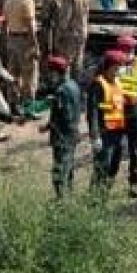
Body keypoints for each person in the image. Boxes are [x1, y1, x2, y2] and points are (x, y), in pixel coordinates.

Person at [114, 34, 137, 197]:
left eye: (130, 50)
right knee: (114, 148)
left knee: (134, 149)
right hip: (116, 110)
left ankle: (134, 184)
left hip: (134, 111)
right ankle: (108, 181)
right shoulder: (111, 63)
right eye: (125, 50)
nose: (128, 53)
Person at [86, 51, 129, 190]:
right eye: (117, 67)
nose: (119, 71)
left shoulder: (118, 83)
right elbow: (92, 111)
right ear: (108, 67)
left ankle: (104, 194)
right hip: (104, 133)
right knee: (102, 166)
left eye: (120, 67)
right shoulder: (98, 84)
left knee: (114, 166)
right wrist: (95, 136)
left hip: (118, 133)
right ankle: (95, 197)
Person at [42, 55, 83, 197]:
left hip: (62, 136)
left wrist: (50, 125)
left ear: (55, 72)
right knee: (69, 167)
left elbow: (63, 116)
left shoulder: (61, 91)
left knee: (59, 170)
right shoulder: (74, 85)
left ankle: (61, 201)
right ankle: (69, 197)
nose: (50, 76)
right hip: (73, 134)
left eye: (51, 72)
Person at [0, 0, 39, 113]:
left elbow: (4, 24)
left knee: (13, 73)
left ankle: (13, 103)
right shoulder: (27, 1)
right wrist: (35, 45)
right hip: (25, 40)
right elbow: (30, 25)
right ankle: (29, 107)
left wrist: (5, 42)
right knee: (29, 75)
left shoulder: (9, 1)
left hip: (12, 39)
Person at [51, 0, 92, 69]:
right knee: (78, 61)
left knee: (66, 63)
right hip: (82, 31)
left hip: (70, 34)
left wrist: (58, 35)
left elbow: (66, 16)